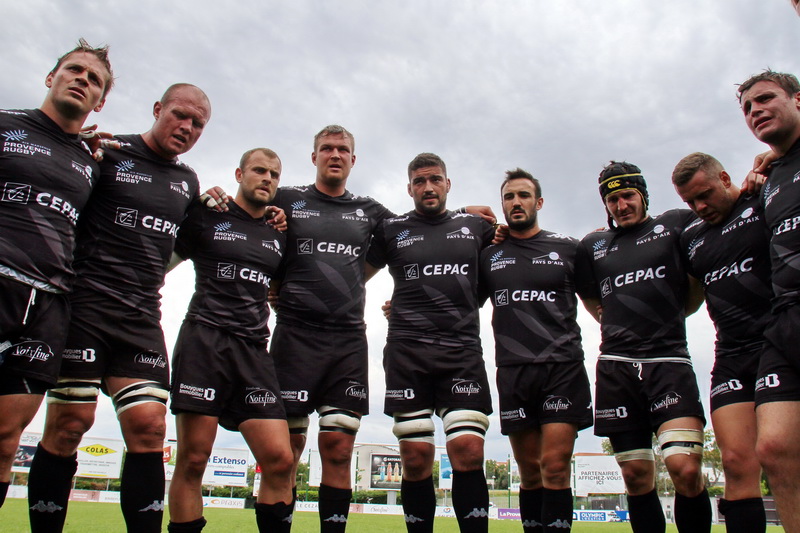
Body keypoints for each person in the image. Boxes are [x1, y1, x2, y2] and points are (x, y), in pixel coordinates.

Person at [268, 126, 495, 533]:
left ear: (353, 160)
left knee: (342, 448)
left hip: (362, 345)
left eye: (343, 150)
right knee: (285, 453)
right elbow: (246, 209)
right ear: (314, 155)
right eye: (327, 149)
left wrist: (467, 214)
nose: (334, 155)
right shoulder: (289, 199)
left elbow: (435, 232)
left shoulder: (378, 214)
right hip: (298, 340)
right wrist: (272, 284)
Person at [27, 83, 212, 533]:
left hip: (141, 318)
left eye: (198, 124)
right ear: (157, 109)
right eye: (179, 115)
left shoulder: (187, 181)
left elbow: (186, 243)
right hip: (82, 311)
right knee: (72, 424)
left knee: (150, 428)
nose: (186, 128)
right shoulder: (106, 152)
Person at [0, 38, 112, 510]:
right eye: (75, 71)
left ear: (101, 101)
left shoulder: (94, 161)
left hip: (47, 305)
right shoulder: (6, 127)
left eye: (94, 80)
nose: (82, 80)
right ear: (52, 77)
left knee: (6, 440)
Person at [575, 161, 711, 533]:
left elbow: (695, 281)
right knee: (636, 476)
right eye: (613, 199)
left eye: (628, 196)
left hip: (669, 363)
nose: (621, 205)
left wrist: (679, 310)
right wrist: (613, 318)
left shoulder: (675, 225)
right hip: (617, 368)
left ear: (643, 195)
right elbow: (589, 296)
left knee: (684, 468)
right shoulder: (593, 245)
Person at [366, 153, 495, 533]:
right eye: (419, 182)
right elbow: (352, 275)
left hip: (461, 351)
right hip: (408, 351)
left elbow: (508, 257)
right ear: (409, 189)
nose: (428, 187)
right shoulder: (391, 229)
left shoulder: (475, 225)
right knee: (416, 456)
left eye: (435, 179)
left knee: (468, 451)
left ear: (448, 184)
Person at [166, 148, 293, 533]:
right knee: (192, 459)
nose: (267, 178)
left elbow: (280, 287)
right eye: (259, 170)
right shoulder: (208, 214)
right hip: (204, 343)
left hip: (254, 352)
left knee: (281, 460)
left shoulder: (279, 234)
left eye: (274, 173)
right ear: (239, 173)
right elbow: (161, 263)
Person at [479, 169, 593, 532]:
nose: (516, 202)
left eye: (524, 195)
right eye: (509, 197)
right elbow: (459, 298)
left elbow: (597, 302)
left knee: (555, 467)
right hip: (513, 371)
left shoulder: (568, 248)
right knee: (529, 474)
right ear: (502, 205)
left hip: (562, 368)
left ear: (538, 202)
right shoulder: (489, 254)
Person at [672, 153, 771, 532]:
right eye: (689, 202)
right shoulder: (692, 237)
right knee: (735, 462)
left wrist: (768, 165)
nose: (700, 207)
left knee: (781, 455)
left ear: (726, 178)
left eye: (705, 194)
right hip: (730, 354)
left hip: (777, 344)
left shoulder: (760, 201)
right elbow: (688, 299)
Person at [738, 69, 800, 531]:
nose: (755, 110)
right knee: (774, 449)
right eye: (746, 108)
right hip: (783, 321)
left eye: (764, 99)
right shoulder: (769, 178)